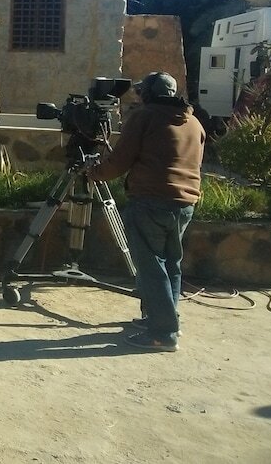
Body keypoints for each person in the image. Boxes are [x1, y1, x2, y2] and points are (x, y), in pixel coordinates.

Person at [87, 71, 205, 352]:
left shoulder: (145, 117)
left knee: (151, 268)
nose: (139, 96)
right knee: (170, 265)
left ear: (149, 93)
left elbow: (120, 161)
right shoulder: (194, 122)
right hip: (184, 204)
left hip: (150, 202)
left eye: (142, 92)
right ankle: (165, 319)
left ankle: (163, 334)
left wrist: (94, 172)